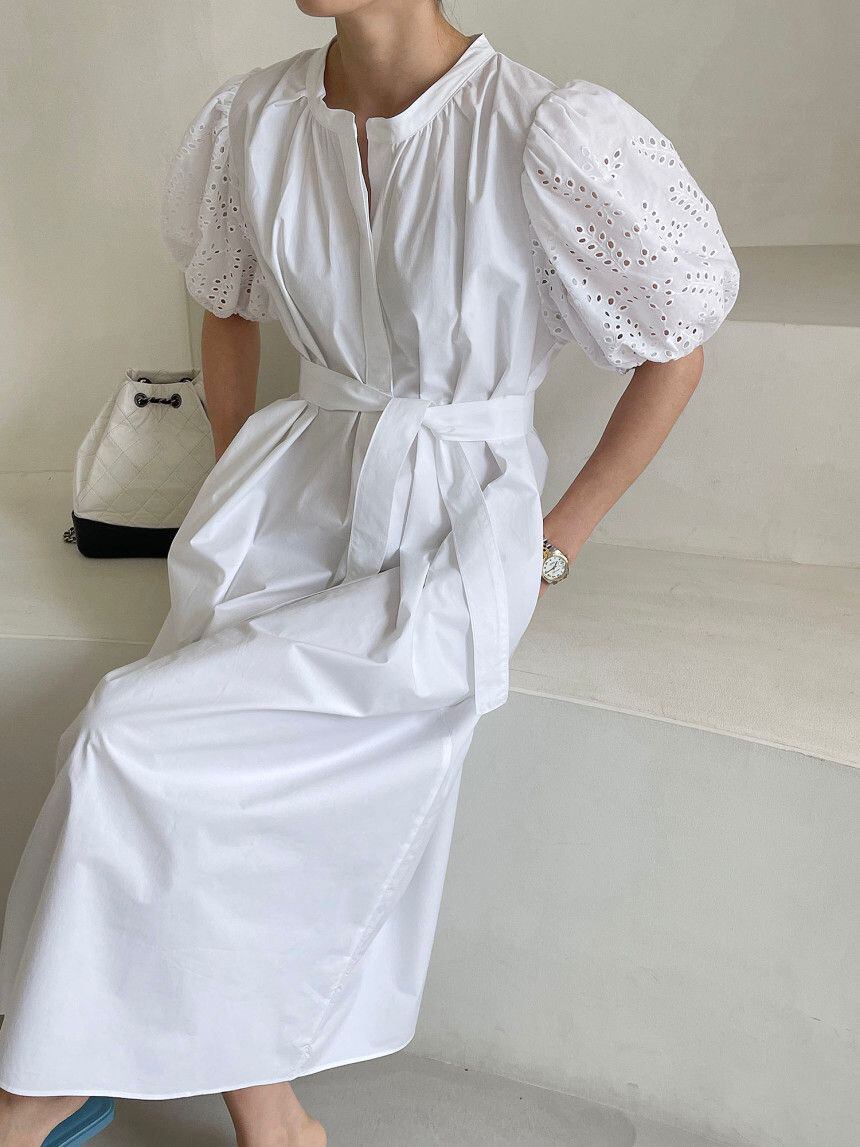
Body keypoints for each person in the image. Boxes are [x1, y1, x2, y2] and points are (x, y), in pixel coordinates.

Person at [0, 1, 739, 1144]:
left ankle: (39, 1086)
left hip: (454, 526)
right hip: (280, 497)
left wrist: (553, 542)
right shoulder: (254, 116)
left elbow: (672, 354)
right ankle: (271, 1118)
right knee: (212, 782)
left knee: (131, 734)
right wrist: (234, 469)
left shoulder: (546, 130)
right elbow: (226, 308)